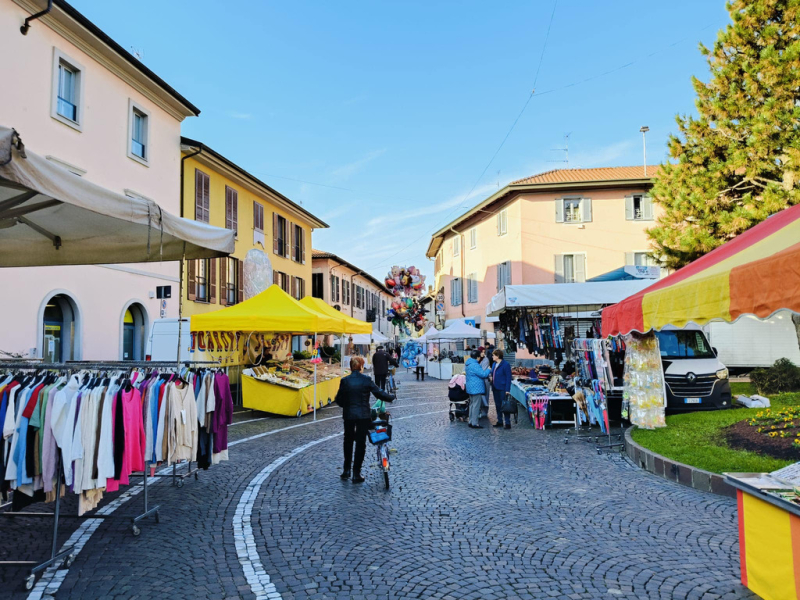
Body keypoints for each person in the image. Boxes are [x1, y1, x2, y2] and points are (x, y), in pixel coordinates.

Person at [335, 356, 395, 483]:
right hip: (363, 415)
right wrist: (390, 397)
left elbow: (338, 399)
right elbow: (378, 392)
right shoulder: (366, 380)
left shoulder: (345, 381)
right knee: (360, 443)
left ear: (351, 367)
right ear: (361, 366)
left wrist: (346, 406)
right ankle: (356, 473)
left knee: (348, 441)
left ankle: (346, 470)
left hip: (349, 415)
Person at [465, 349, 491, 429]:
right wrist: (488, 370)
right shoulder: (475, 365)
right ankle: (475, 423)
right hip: (476, 388)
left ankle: (471, 421)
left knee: (472, 404)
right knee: (476, 405)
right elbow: (483, 374)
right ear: (477, 357)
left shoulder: (468, 363)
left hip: (470, 387)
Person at [491, 349, 513, 429]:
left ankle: (507, 422)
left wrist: (507, 389)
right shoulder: (494, 364)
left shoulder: (505, 364)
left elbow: (508, 377)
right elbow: (492, 373)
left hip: (502, 388)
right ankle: (499, 421)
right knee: (498, 405)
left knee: (505, 405)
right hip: (495, 387)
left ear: (497, 356)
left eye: (493, 355)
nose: (492, 357)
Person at [478, 347, 491, 419]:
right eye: (482, 352)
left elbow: (482, 371)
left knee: (485, 396)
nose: (483, 353)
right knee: (478, 397)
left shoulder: (486, 359)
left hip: (485, 380)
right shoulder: (476, 359)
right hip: (478, 380)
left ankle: (484, 411)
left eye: (484, 352)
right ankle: (478, 410)